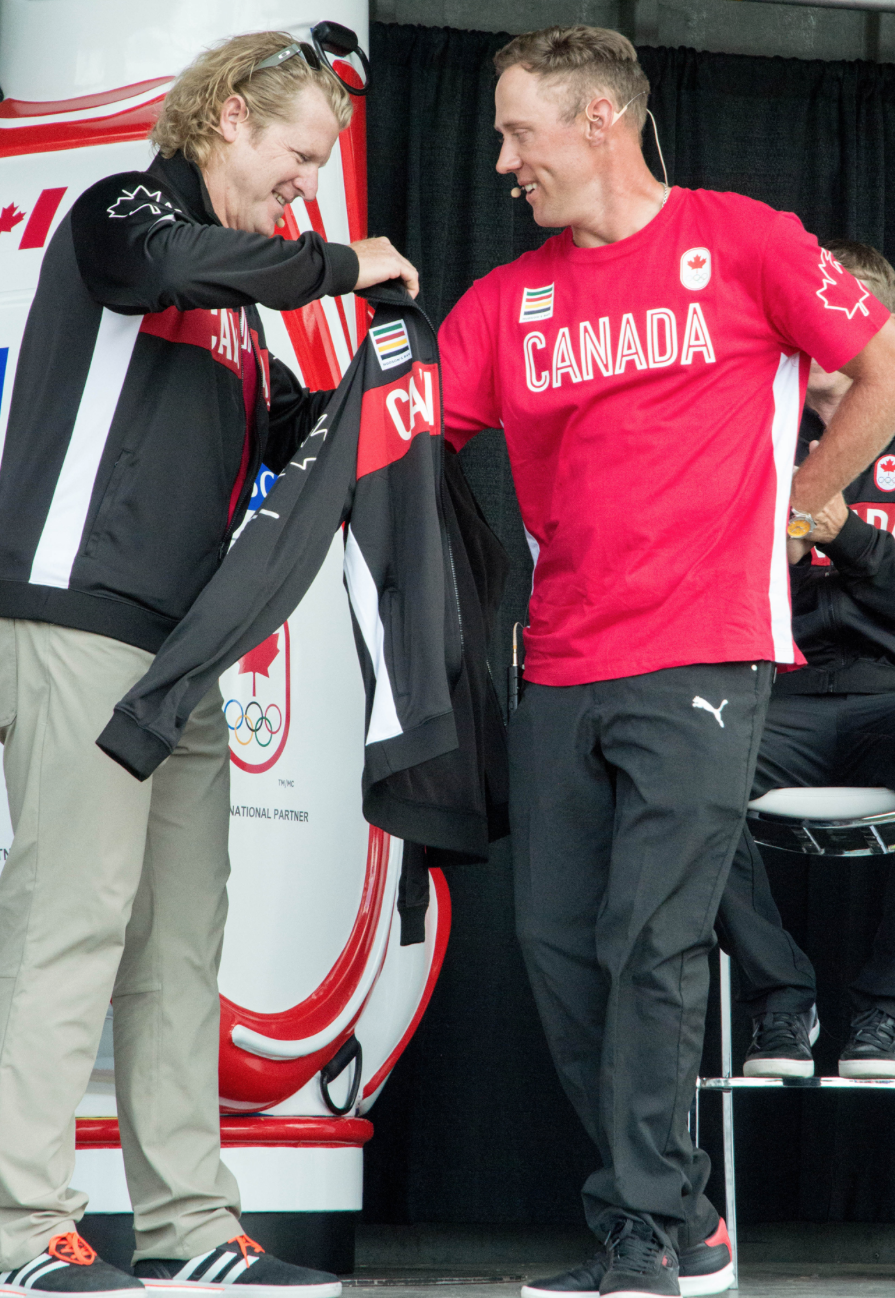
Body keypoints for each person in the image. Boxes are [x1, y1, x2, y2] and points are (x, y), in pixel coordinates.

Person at [437, 25, 895, 1298]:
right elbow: (409, 419)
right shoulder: (508, 299)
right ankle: (683, 1223)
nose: (502, 158)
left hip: (706, 645)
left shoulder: (742, 238)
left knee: (651, 939)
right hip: (563, 657)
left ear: (599, 122)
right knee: (555, 942)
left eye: (520, 130)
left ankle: (640, 1233)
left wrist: (805, 494)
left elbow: (883, 364)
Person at [0, 31, 417, 1298]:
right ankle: (18, 1232)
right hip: (71, 615)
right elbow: (150, 264)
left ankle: (184, 1226)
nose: (305, 191)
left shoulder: (233, 304)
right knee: (73, 920)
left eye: (321, 176)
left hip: (174, 653)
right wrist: (332, 268)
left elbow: (276, 435)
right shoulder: (131, 207)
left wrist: (376, 397)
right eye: (296, 159)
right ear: (226, 114)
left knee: (178, 941)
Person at [716, 241, 895, 1082]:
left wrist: (846, 534)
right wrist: (761, 565)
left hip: (885, 700)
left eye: (853, 308)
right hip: (775, 696)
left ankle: (883, 1014)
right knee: (681, 772)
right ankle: (781, 999)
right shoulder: (753, 431)